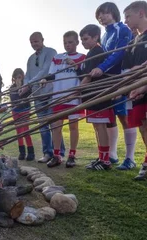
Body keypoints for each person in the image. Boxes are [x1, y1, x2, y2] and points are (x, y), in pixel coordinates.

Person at [94, 2, 135, 168]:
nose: (101, 17)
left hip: (121, 79)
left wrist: (101, 68)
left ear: (113, 12)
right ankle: (112, 154)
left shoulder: (122, 29)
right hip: (107, 81)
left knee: (124, 116)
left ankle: (130, 158)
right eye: (98, 16)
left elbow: (119, 53)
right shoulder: (104, 35)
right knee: (110, 117)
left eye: (104, 13)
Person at [40, 31, 86, 168]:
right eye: (65, 42)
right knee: (56, 126)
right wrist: (45, 79)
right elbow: (52, 75)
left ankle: (72, 155)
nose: (67, 45)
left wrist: (75, 65)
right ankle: (57, 155)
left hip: (73, 97)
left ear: (77, 42)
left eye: (70, 42)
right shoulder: (57, 58)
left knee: (73, 126)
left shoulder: (82, 57)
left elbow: (84, 76)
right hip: (58, 96)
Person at [21, 32, 65, 163]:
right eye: (32, 42)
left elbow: (45, 71)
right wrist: (25, 86)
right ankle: (47, 152)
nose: (34, 44)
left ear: (42, 40)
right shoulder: (30, 58)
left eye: (36, 41)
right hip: (37, 94)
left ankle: (59, 152)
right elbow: (27, 75)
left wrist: (29, 84)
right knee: (42, 125)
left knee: (54, 124)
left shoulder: (51, 52)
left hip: (50, 92)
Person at [78, 25, 115, 170]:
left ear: (95, 37)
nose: (83, 42)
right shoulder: (91, 52)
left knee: (101, 126)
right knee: (96, 126)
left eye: (86, 39)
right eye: (81, 40)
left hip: (98, 95)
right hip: (91, 96)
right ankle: (101, 157)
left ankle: (106, 161)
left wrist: (77, 90)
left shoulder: (97, 52)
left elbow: (88, 76)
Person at [122, 1, 147, 180]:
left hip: (144, 87)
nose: (126, 21)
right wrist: (127, 87)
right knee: (143, 126)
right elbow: (129, 70)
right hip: (137, 91)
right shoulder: (132, 43)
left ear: (141, 13)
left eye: (128, 16)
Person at [10, 68, 35, 161]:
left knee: (25, 131)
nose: (18, 79)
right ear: (14, 78)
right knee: (18, 132)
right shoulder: (12, 88)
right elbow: (14, 99)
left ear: (23, 76)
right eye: (16, 77)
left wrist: (21, 88)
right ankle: (22, 152)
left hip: (25, 110)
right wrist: (17, 88)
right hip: (15, 111)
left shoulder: (27, 86)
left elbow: (27, 96)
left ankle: (31, 152)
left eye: (20, 77)